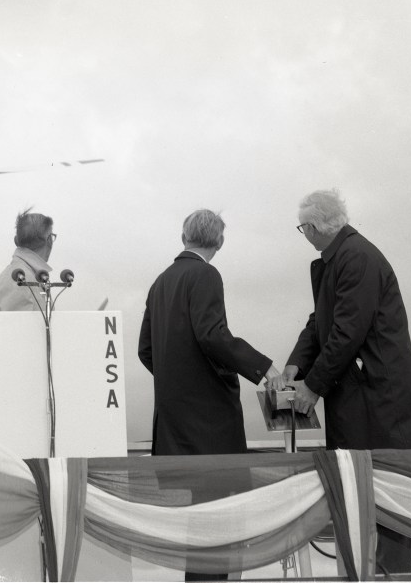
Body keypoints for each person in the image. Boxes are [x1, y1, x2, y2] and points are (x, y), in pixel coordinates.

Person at [273, 189, 411, 574]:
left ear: (313, 227)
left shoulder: (355, 258)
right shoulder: (340, 258)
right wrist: (296, 365)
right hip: (366, 401)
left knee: (408, 504)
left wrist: (313, 387)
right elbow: (320, 322)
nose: (303, 234)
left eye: (302, 228)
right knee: (380, 507)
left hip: (381, 405)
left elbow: (346, 332)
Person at [139, 209, 281, 581]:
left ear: (184, 235)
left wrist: (179, 381)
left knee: (200, 530)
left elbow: (145, 350)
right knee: (218, 529)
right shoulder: (205, 274)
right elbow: (212, 335)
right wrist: (264, 368)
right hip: (210, 427)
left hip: (174, 425)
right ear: (218, 240)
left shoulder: (160, 282)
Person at [0, 209, 56, 312]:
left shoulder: (18, 275)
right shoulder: (22, 282)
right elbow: (20, 327)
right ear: (49, 240)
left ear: (16, 241)